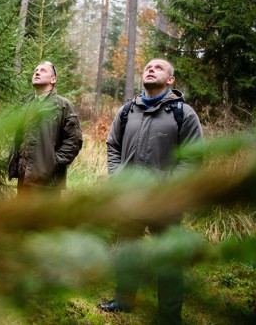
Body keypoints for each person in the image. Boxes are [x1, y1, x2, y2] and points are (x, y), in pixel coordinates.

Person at [99, 58, 203, 325]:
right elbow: (112, 145)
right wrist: (118, 176)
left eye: (158, 67)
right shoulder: (127, 110)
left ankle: (169, 315)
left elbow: (193, 159)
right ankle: (124, 300)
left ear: (170, 80)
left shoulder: (183, 113)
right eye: (147, 67)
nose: (150, 69)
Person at [8, 61, 83, 199]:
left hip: (48, 184)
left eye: (43, 70)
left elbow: (74, 141)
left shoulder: (63, 106)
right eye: (36, 70)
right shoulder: (25, 104)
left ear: (53, 79)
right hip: (23, 180)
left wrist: (53, 162)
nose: (37, 72)